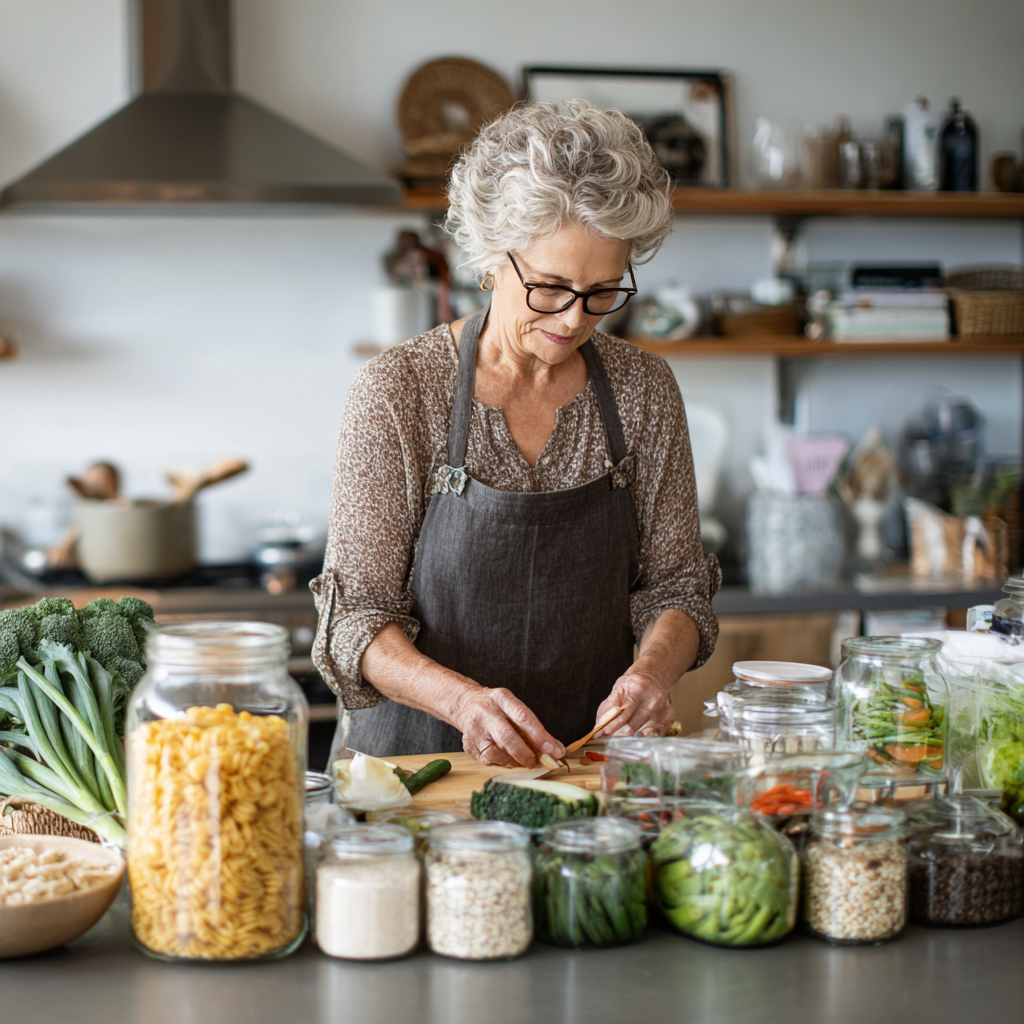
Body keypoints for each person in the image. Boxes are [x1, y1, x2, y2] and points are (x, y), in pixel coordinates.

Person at [311, 100, 720, 767]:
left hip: (586, 776)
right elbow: (353, 623)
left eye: (603, 292)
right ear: (491, 257)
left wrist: (652, 676)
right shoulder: (399, 391)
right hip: (416, 780)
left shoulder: (645, 390)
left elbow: (678, 589)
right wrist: (465, 703)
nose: (572, 318)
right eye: (552, 287)